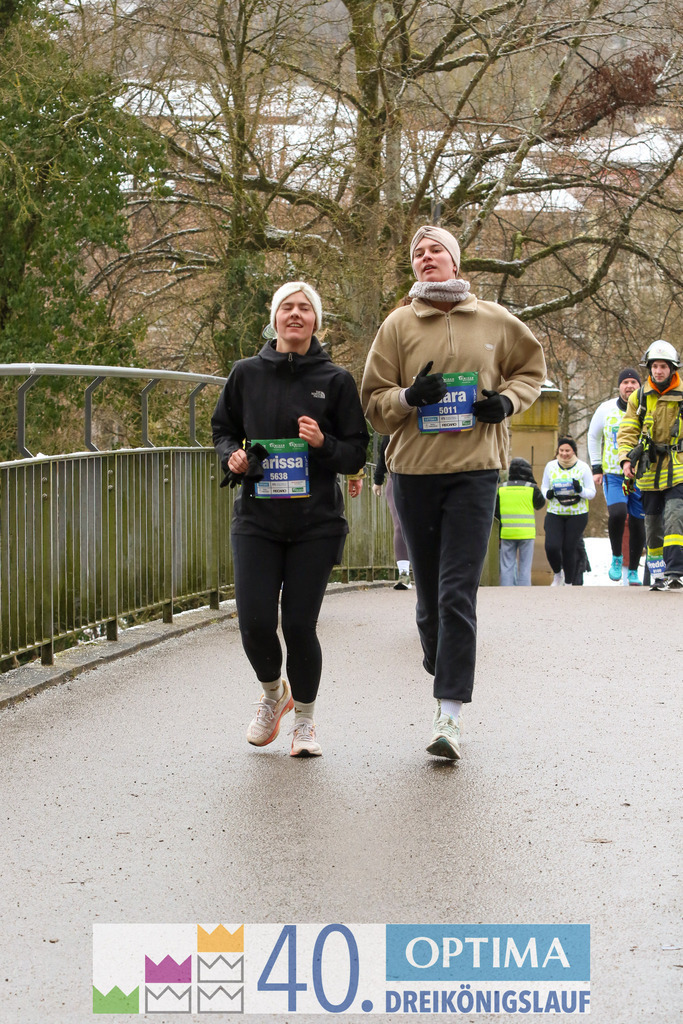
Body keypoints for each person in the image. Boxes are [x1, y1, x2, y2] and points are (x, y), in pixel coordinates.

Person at [361, 224, 546, 760]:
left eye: (436, 250)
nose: (426, 257)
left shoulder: (494, 319)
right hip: (414, 472)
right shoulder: (397, 325)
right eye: (418, 253)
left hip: (476, 470)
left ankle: (449, 716)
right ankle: (441, 661)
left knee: (456, 593)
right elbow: (373, 403)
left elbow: (530, 370)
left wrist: (505, 403)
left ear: (455, 262)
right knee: (428, 603)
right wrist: (408, 397)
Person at [212, 281, 369, 756]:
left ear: (316, 321)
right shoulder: (245, 374)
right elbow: (223, 429)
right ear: (275, 319)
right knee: (255, 622)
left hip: (315, 523)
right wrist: (232, 457)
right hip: (257, 519)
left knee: (299, 625)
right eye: (287, 307)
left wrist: (323, 444)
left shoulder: (336, 380)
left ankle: (304, 722)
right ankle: (272, 694)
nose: (295, 314)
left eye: (304, 308)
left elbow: (356, 452)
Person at [617, 340, 683, 591]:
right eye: (654, 366)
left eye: (663, 366)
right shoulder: (640, 396)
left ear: (672, 368)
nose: (658, 371)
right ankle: (657, 574)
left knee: (675, 517)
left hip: (678, 466)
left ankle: (675, 571)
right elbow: (627, 431)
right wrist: (626, 460)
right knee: (653, 524)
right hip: (649, 468)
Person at [587, 367, 646, 585]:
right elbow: (593, 437)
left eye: (633, 382)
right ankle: (616, 557)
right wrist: (596, 467)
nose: (629, 386)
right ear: (619, 386)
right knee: (618, 513)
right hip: (614, 473)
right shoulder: (606, 409)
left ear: (639, 386)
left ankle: (633, 570)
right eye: (625, 382)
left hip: (640, 475)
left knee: (638, 522)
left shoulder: (647, 407)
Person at [541, 437, 596, 586]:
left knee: (569, 548)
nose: (564, 454)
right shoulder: (551, 466)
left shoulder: (583, 467)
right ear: (557, 451)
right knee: (551, 546)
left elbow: (592, 493)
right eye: (561, 450)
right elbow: (544, 487)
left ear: (574, 451)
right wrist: (547, 494)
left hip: (577, 514)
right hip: (555, 512)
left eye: (567, 451)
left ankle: (569, 582)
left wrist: (580, 490)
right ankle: (558, 574)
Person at [495, 457, 545, 586]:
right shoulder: (531, 488)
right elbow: (540, 504)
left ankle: (506, 590)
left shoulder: (501, 488)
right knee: (525, 566)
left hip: (507, 533)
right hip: (526, 533)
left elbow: (496, 513)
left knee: (507, 565)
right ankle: (524, 592)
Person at [372, 435, 412, 589]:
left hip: (426, 476)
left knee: (429, 525)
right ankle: (404, 575)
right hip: (396, 477)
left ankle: (434, 573)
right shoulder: (394, 425)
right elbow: (385, 449)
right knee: (400, 525)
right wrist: (378, 480)